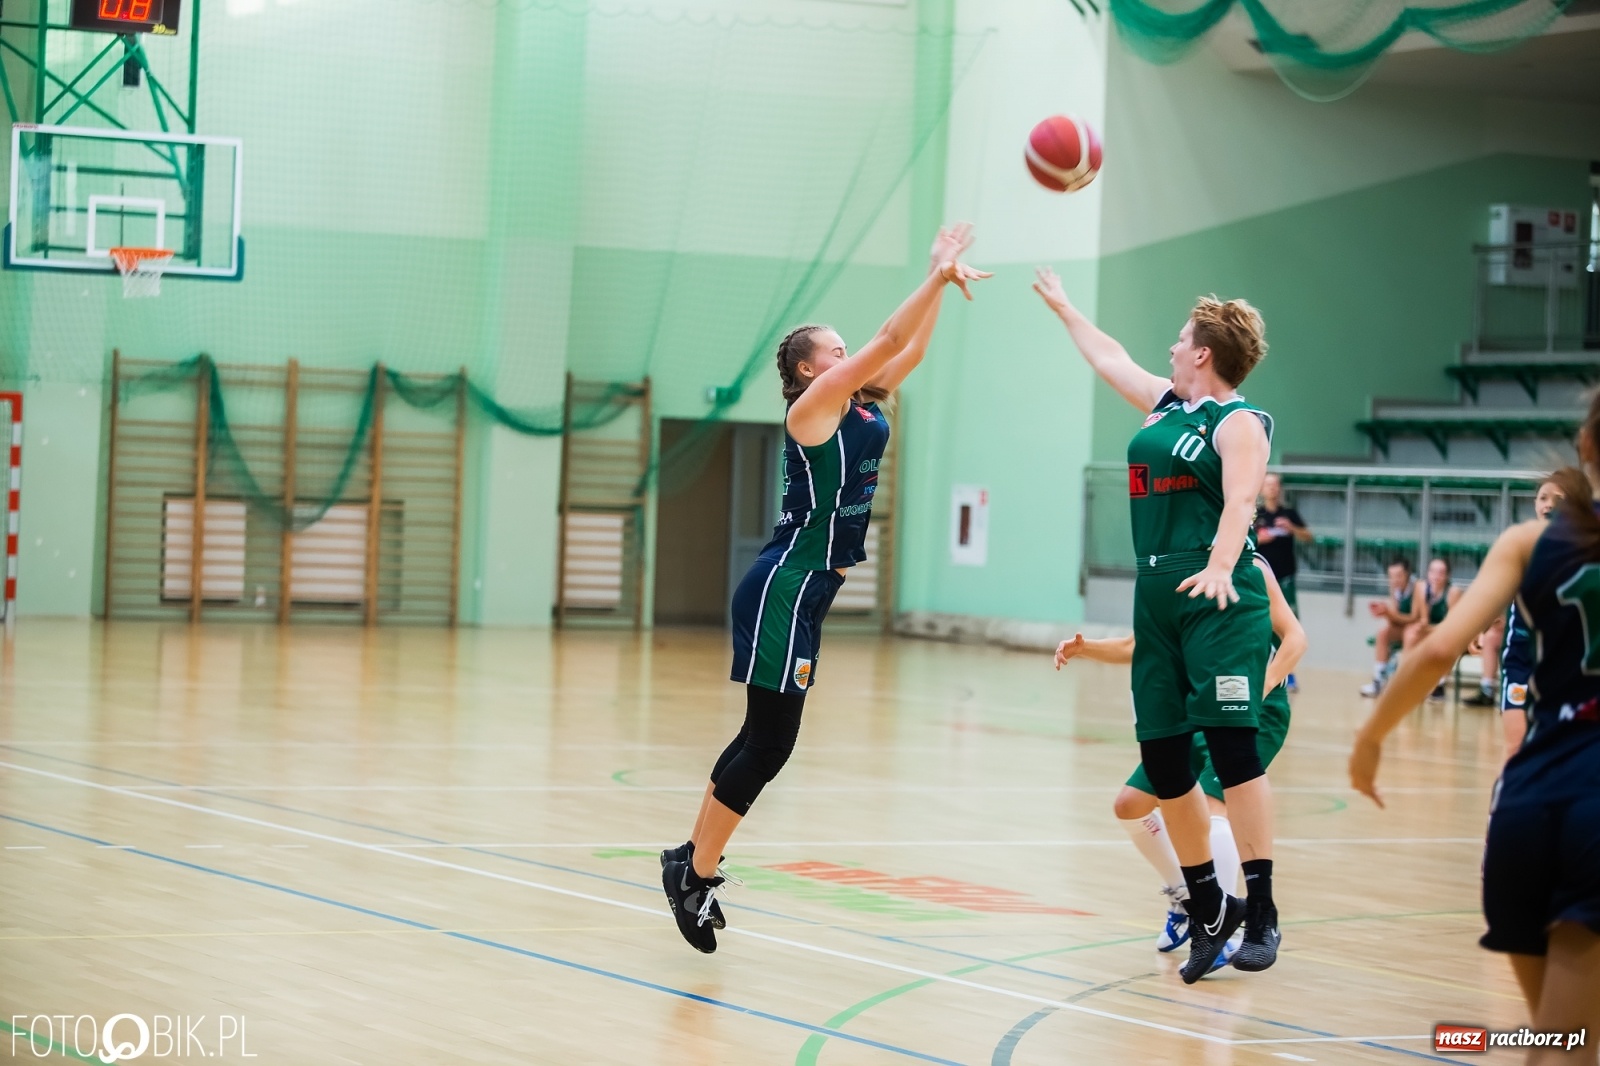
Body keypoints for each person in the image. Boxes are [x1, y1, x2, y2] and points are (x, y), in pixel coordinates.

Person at [658, 225, 990, 953]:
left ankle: (691, 863)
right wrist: (933, 274)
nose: (848, 356)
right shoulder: (810, 412)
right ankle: (694, 872)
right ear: (809, 371)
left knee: (761, 738)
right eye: (834, 352)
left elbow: (909, 350)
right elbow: (883, 339)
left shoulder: (863, 408)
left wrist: (941, 290)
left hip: (807, 591)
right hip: (784, 584)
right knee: (771, 744)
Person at [1033, 269, 1279, 983]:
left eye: (1180, 341)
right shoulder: (1164, 406)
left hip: (1217, 591)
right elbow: (1109, 357)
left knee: (1234, 753)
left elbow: (1240, 502)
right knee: (1167, 760)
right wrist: (1063, 306)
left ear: (1203, 353)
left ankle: (1259, 907)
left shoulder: (1238, 422)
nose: (1171, 350)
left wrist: (1224, 565)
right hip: (1158, 590)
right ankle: (1209, 907)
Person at [1349, 443, 1600, 1065]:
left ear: (1585, 448)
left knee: (1557, 1037)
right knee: (1567, 1045)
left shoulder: (1524, 543)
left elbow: (1435, 652)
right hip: (1593, 807)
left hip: (1524, 807)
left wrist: (1370, 737)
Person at [1055, 554, 1307, 976]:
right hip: (1194, 709)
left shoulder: (1252, 567)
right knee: (1129, 804)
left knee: (1213, 805)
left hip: (1250, 710)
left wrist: (1260, 685)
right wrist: (1086, 649)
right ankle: (1189, 898)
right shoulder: (1176, 562)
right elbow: (1141, 646)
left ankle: (1221, 929)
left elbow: (1295, 639)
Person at [1466, 478, 1564, 756]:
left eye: (1559, 499)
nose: (1549, 505)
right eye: (1544, 497)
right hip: (1521, 660)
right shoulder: (1519, 545)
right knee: (1516, 748)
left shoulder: (1582, 552)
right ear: (1534, 503)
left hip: (1564, 666)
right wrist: (1481, 623)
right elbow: (1499, 592)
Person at [1252, 472, 1311, 692]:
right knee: (1263, 624)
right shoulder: (1255, 514)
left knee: (1290, 627)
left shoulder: (1289, 513)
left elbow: (1308, 536)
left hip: (1285, 580)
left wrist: (1292, 528)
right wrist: (1260, 538)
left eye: (1275, 485)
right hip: (1262, 581)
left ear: (1280, 489)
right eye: (1267, 485)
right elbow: (1241, 539)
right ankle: (1264, 671)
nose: (1272, 489)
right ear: (1261, 488)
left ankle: (1288, 675)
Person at [1360, 559, 1422, 698]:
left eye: (1398, 575)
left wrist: (1389, 613)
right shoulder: (1394, 587)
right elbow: (1395, 619)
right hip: (1404, 628)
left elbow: (1415, 618)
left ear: (1407, 574)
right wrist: (1385, 613)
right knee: (1382, 633)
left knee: (1409, 634)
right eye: (1391, 576)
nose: (1394, 580)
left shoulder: (1418, 586)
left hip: (1419, 630)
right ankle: (1378, 682)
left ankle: (1405, 682)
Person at [1416, 558, 1463, 701]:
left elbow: (1450, 625)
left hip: (1453, 632)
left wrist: (1429, 630)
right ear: (1427, 573)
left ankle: (1440, 685)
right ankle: (1410, 681)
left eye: (1441, 572)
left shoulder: (1453, 592)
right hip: (1432, 630)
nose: (1436, 576)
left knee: (1447, 641)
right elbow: (1424, 620)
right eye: (1433, 572)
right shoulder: (1421, 587)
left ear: (1448, 575)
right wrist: (1423, 628)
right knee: (1412, 635)